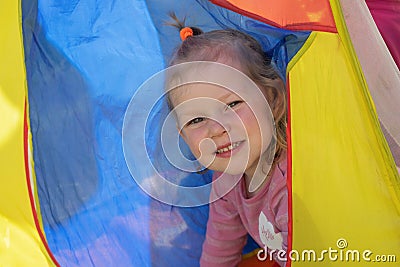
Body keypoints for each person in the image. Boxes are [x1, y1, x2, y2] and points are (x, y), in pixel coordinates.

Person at [165, 15, 288, 267]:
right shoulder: (226, 179)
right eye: (197, 120)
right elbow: (219, 250)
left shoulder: (291, 186)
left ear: (273, 100)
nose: (217, 129)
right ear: (182, 135)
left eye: (232, 104)